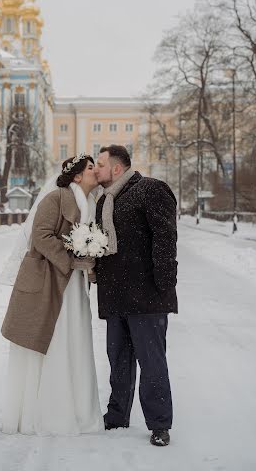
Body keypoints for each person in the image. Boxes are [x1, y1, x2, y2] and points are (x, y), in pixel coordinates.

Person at [1, 154, 104, 436]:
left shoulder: (94, 203)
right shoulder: (56, 198)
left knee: (75, 338)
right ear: (77, 176)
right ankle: (49, 412)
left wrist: (90, 257)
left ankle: (78, 409)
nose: (97, 172)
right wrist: (72, 257)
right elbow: (41, 235)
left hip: (74, 286)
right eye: (91, 168)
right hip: (51, 282)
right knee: (54, 338)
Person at [94, 144, 178, 447]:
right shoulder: (104, 200)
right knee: (118, 360)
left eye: (100, 164)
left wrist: (164, 286)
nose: (96, 169)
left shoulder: (150, 189)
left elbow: (165, 237)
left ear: (117, 168)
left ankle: (159, 424)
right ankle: (117, 415)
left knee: (152, 362)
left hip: (147, 297)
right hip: (115, 296)